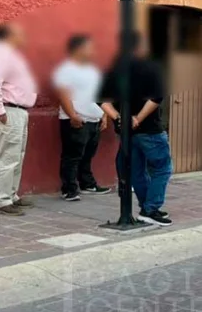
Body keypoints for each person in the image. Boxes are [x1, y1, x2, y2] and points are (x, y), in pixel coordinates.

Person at [99, 34, 173, 226]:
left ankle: (147, 207)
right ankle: (150, 209)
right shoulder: (150, 67)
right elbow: (156, 97)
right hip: (150, 130)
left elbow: (102, 100)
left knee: (137, 171)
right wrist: (138, 118)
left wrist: (119, 118)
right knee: (162, 168)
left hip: (126, 132)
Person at [54, 35, 112, 201]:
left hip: (94, 119)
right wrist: (72, 115)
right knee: (72, 156)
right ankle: (69, 189)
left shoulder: (92, 70)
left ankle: (87, 184)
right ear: (78, 49)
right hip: (76, 119)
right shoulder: (66, 69)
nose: (93, 51)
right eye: (89, 47)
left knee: (88, 155)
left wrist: (105, 115)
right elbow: (63, 94)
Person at [0, 22, 38, 216]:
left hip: (20, 111)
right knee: (8, 156)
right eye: (19, 33)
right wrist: (0, 111)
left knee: (17, 155)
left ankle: (11, 194)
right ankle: (2, 199)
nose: (24, 36)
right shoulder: (2, 53)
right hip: (9, 111)